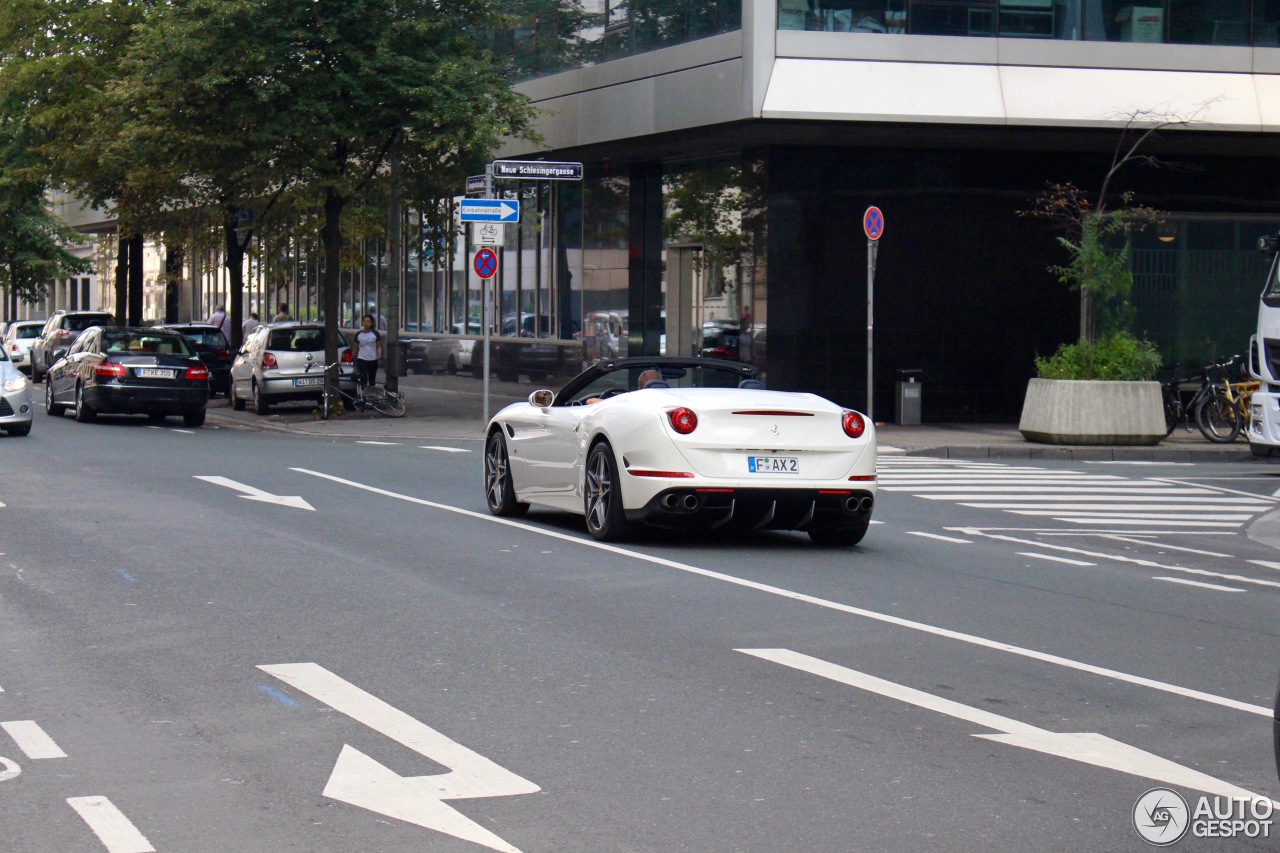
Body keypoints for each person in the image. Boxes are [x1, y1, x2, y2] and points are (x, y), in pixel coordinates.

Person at [353, 313, 382, 388]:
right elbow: (356, 346)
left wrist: (379, 354)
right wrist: (353, 356)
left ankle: (371, 393)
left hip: (373, 359)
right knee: (363, 377)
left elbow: (378, 346)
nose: (366, 323)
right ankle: (364, 393)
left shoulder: (375, 334)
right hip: (362, 358)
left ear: (371, 323)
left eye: (368, 321)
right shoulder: (359, 334)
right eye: (364, 321)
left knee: (372, 378)